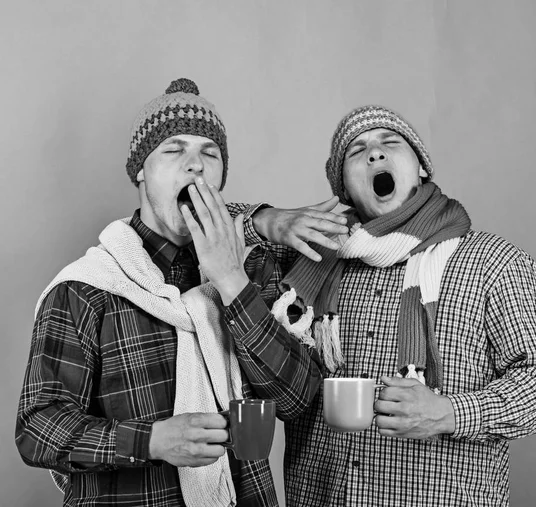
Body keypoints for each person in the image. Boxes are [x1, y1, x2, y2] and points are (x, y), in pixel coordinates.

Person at [15, 78, 348, 507]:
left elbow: (298, 399)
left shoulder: (250, 270)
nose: (196, 165)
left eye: (209, 153)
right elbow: (38, 429)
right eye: (174, 150)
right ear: (140, 169)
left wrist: (231, 283)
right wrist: (150, 440)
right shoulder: (86, 288)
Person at [243, 105, 536, 506]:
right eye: (357, 150)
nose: (375, 154)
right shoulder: (309, 259)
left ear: (421, 167)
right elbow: (192, 225)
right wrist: (266, 220)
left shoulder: (494, 263)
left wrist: (450, 413)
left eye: (391, 142)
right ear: (344, 188)